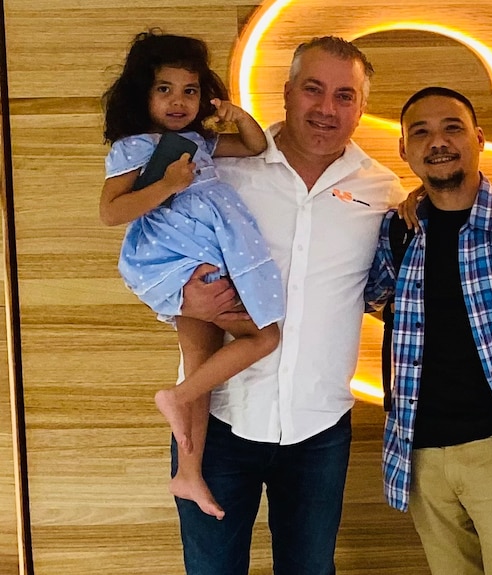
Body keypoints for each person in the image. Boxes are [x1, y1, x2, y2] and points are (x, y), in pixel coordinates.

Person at [174, 36, 404, 575]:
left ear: (361, 108)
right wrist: (182, 295)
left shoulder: (382, 191)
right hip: (220, 420)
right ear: (286, 93)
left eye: (344, 95)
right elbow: (159, 254)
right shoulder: (222, 170)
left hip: (319, 431)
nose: (326, 109)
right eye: (313, 89)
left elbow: (397, 289)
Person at [364, 86, 492, 575]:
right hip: (420, 455)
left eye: (452, 128)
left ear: (479, 139)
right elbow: (366, 295)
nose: (437, 141)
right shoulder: (399, 232)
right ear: (403, 150)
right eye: (421, 132)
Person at [100, 31, 284, 521]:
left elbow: (254, 146)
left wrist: (237, 115)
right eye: (165, 89)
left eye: (190, 90)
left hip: (205, 256)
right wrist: (166, 184)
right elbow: (111, 213)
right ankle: (176, 398)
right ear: (143, 93)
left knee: (201, 366)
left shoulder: (198, 142)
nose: (179, 101)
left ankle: (188, 471)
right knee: (263, 337)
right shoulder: (133, 147)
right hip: (185, 264)